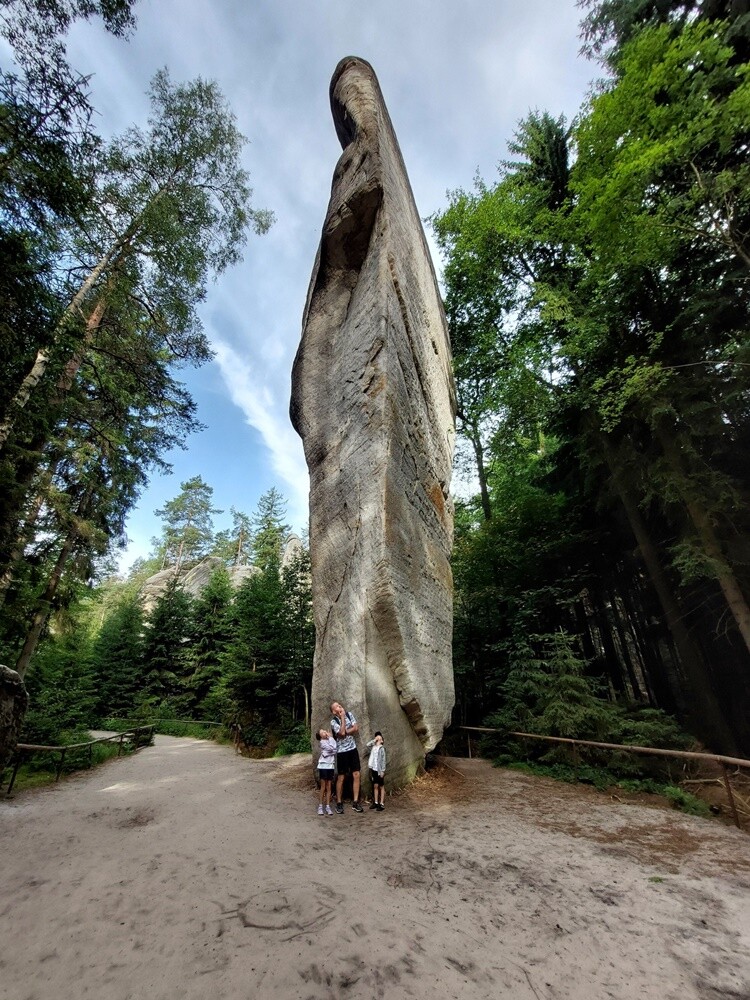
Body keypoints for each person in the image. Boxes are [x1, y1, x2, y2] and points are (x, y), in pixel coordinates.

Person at [330, 700, 363, 813]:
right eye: (337, 706)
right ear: (334, 711)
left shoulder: (349, 714)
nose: (339, 706)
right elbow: (341, 733)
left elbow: (355, 728)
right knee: (341, 777)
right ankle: (339, 802)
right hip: (341, 751)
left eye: (339, 705)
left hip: (352, 749)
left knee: (356, 774)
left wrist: (345, 731)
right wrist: (343, 718)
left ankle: (355, 802)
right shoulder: (333, 722)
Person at [315, 728, 336, 816]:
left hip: (330, 765)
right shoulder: (322, 742)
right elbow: (332, 749)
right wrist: (330, 739)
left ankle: (327, 806)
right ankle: (320, 806)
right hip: (323, 765)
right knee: (323, 786)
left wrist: (330, 738)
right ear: (320, 736)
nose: (325, 732)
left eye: (324, 731)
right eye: (322, 732)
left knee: (329, 786)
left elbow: (335, 749)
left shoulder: (330, 740)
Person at [366, 731, 386, 810]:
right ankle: (376, 802)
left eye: (380, 738)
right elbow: (367, 745)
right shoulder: (373, 747)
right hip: (374, 769)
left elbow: (383, 760)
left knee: (381, 786)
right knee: (375, 785)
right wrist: (374, 740)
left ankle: (381, 803)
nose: (378, 739)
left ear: (382, 741)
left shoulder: (382, 749)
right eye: (377, 737)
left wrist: (383, 771)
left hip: (379, 770)